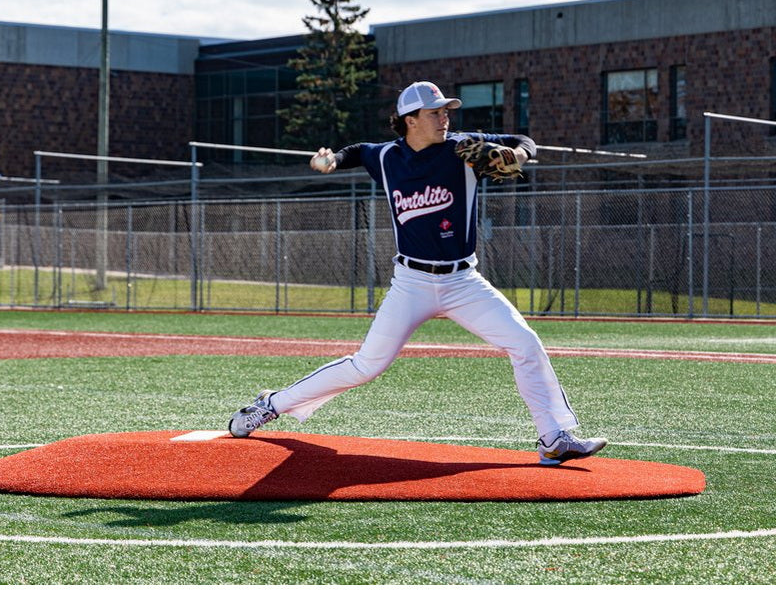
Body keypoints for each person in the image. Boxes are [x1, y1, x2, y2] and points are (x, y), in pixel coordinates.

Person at [228, 81, 607, 466]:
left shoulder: (461, 148)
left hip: (463, 281)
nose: (445, 117)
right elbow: (360, 151)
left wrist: (520, 153)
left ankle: (554, 438)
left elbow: (522, 138)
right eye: (435, 112)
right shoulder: (389, 157)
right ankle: (270, 405)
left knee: (525, 344)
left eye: (446, 111)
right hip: (411, 282)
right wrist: (334, 160)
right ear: (410, 120)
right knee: (367, 365)